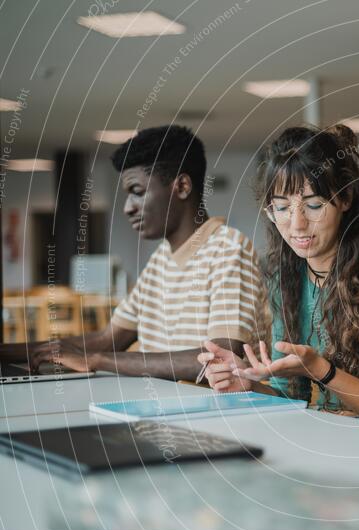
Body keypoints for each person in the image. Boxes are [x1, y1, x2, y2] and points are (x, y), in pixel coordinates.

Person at [0, 125, 269, 381]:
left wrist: (97, 360)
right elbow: (108, 339)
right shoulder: (159, 261)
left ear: (182, 187)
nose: (128, 207)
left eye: (137, 192)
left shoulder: (229, 250)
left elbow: (220, 358)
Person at [197, 125, 359, 423]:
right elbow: (291, 397)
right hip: (324, 439)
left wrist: (322, 370)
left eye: (314, 205)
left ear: (345, 199)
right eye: (281, 208)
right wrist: (249, 385)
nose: (297, 225)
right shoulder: (287, 278)